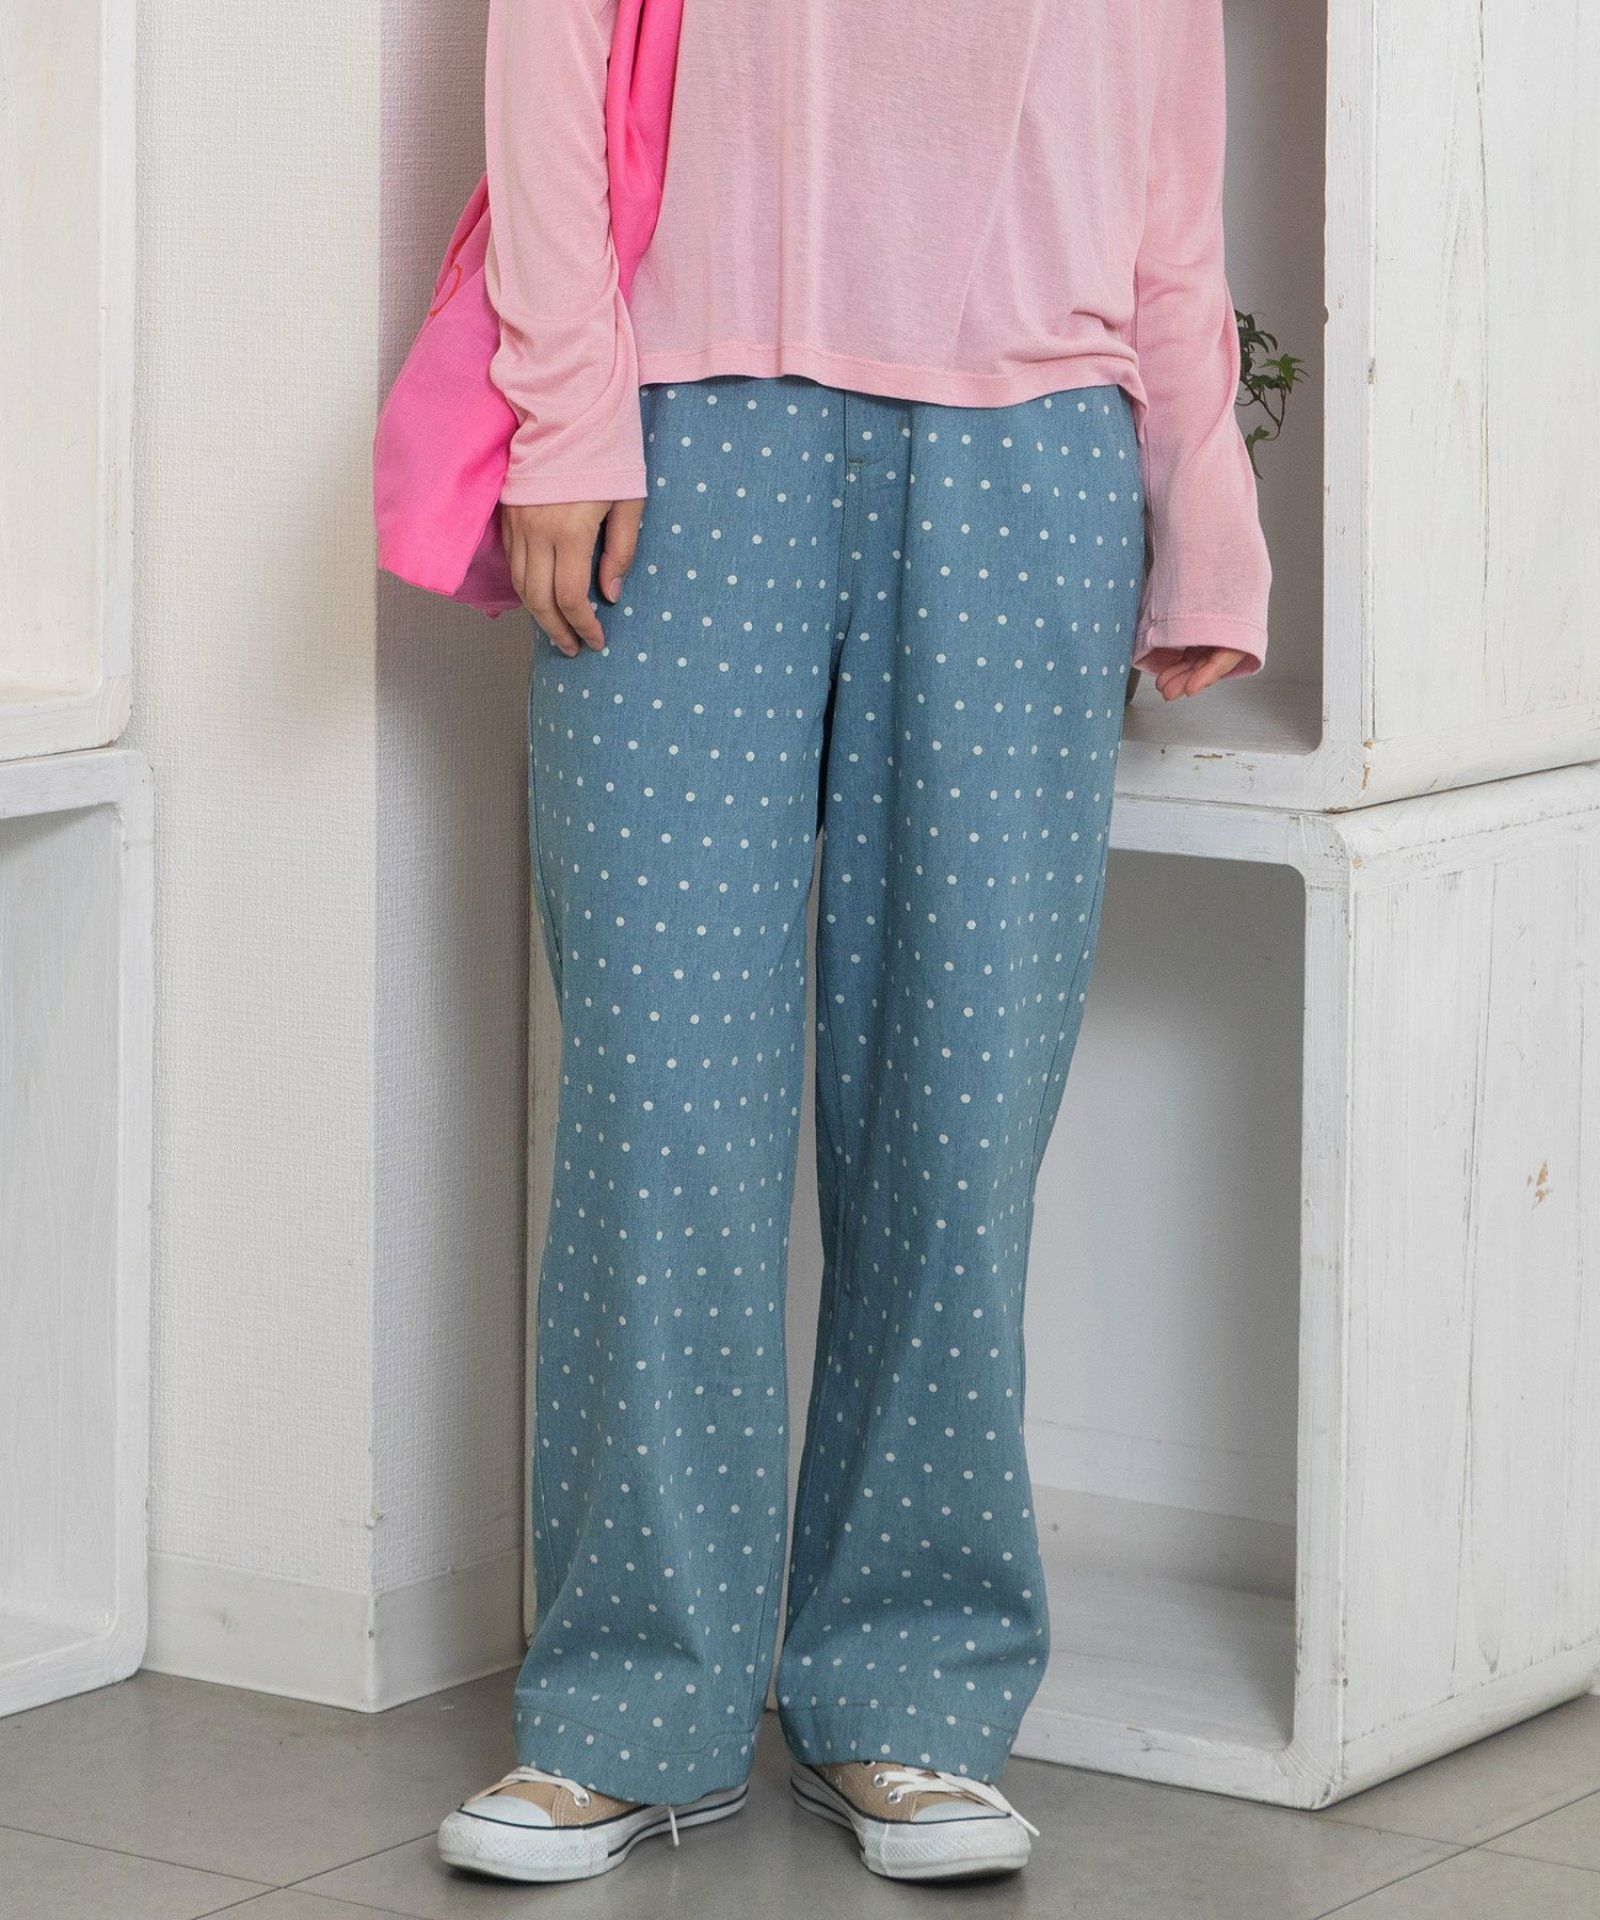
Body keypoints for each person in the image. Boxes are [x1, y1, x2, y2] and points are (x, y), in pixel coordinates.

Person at [438, 0, 1271, 1886]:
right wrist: (567, 404)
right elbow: (549, 40)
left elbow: (1165, 141)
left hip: (1033, 444)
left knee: (959, 1107)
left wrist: (1201, 489)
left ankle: (912, 1694)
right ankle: (627, 1709)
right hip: (680, 422)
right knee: (660, 1104)